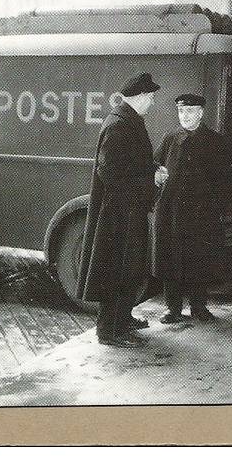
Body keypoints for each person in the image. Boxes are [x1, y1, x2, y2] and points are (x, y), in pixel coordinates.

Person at [76, 72, 167, 348]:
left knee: (129, 269)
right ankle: (109, 331)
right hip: (118, 215)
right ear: (139, 97)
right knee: (117, 270)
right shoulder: (119, 125)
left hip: (128, 211)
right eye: (150, 98)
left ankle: (122, 319)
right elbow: (110, 172)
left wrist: (152, 169)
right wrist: (149, 180)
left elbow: (134, 162)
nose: (152, 103)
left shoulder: (129, 121)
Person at [153, 93, 231, 323]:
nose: (184, 116)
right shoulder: (170, 138)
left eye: (189, 111)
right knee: (172, 258)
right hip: (172, 211)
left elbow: (224, 180)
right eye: (181, 111)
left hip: (202, 213)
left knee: (200, 259)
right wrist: (158, 176)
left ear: (200, 113)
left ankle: (199, 306)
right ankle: (172, 308)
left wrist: (215, 205)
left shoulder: (215, 142)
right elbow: (156, 163)